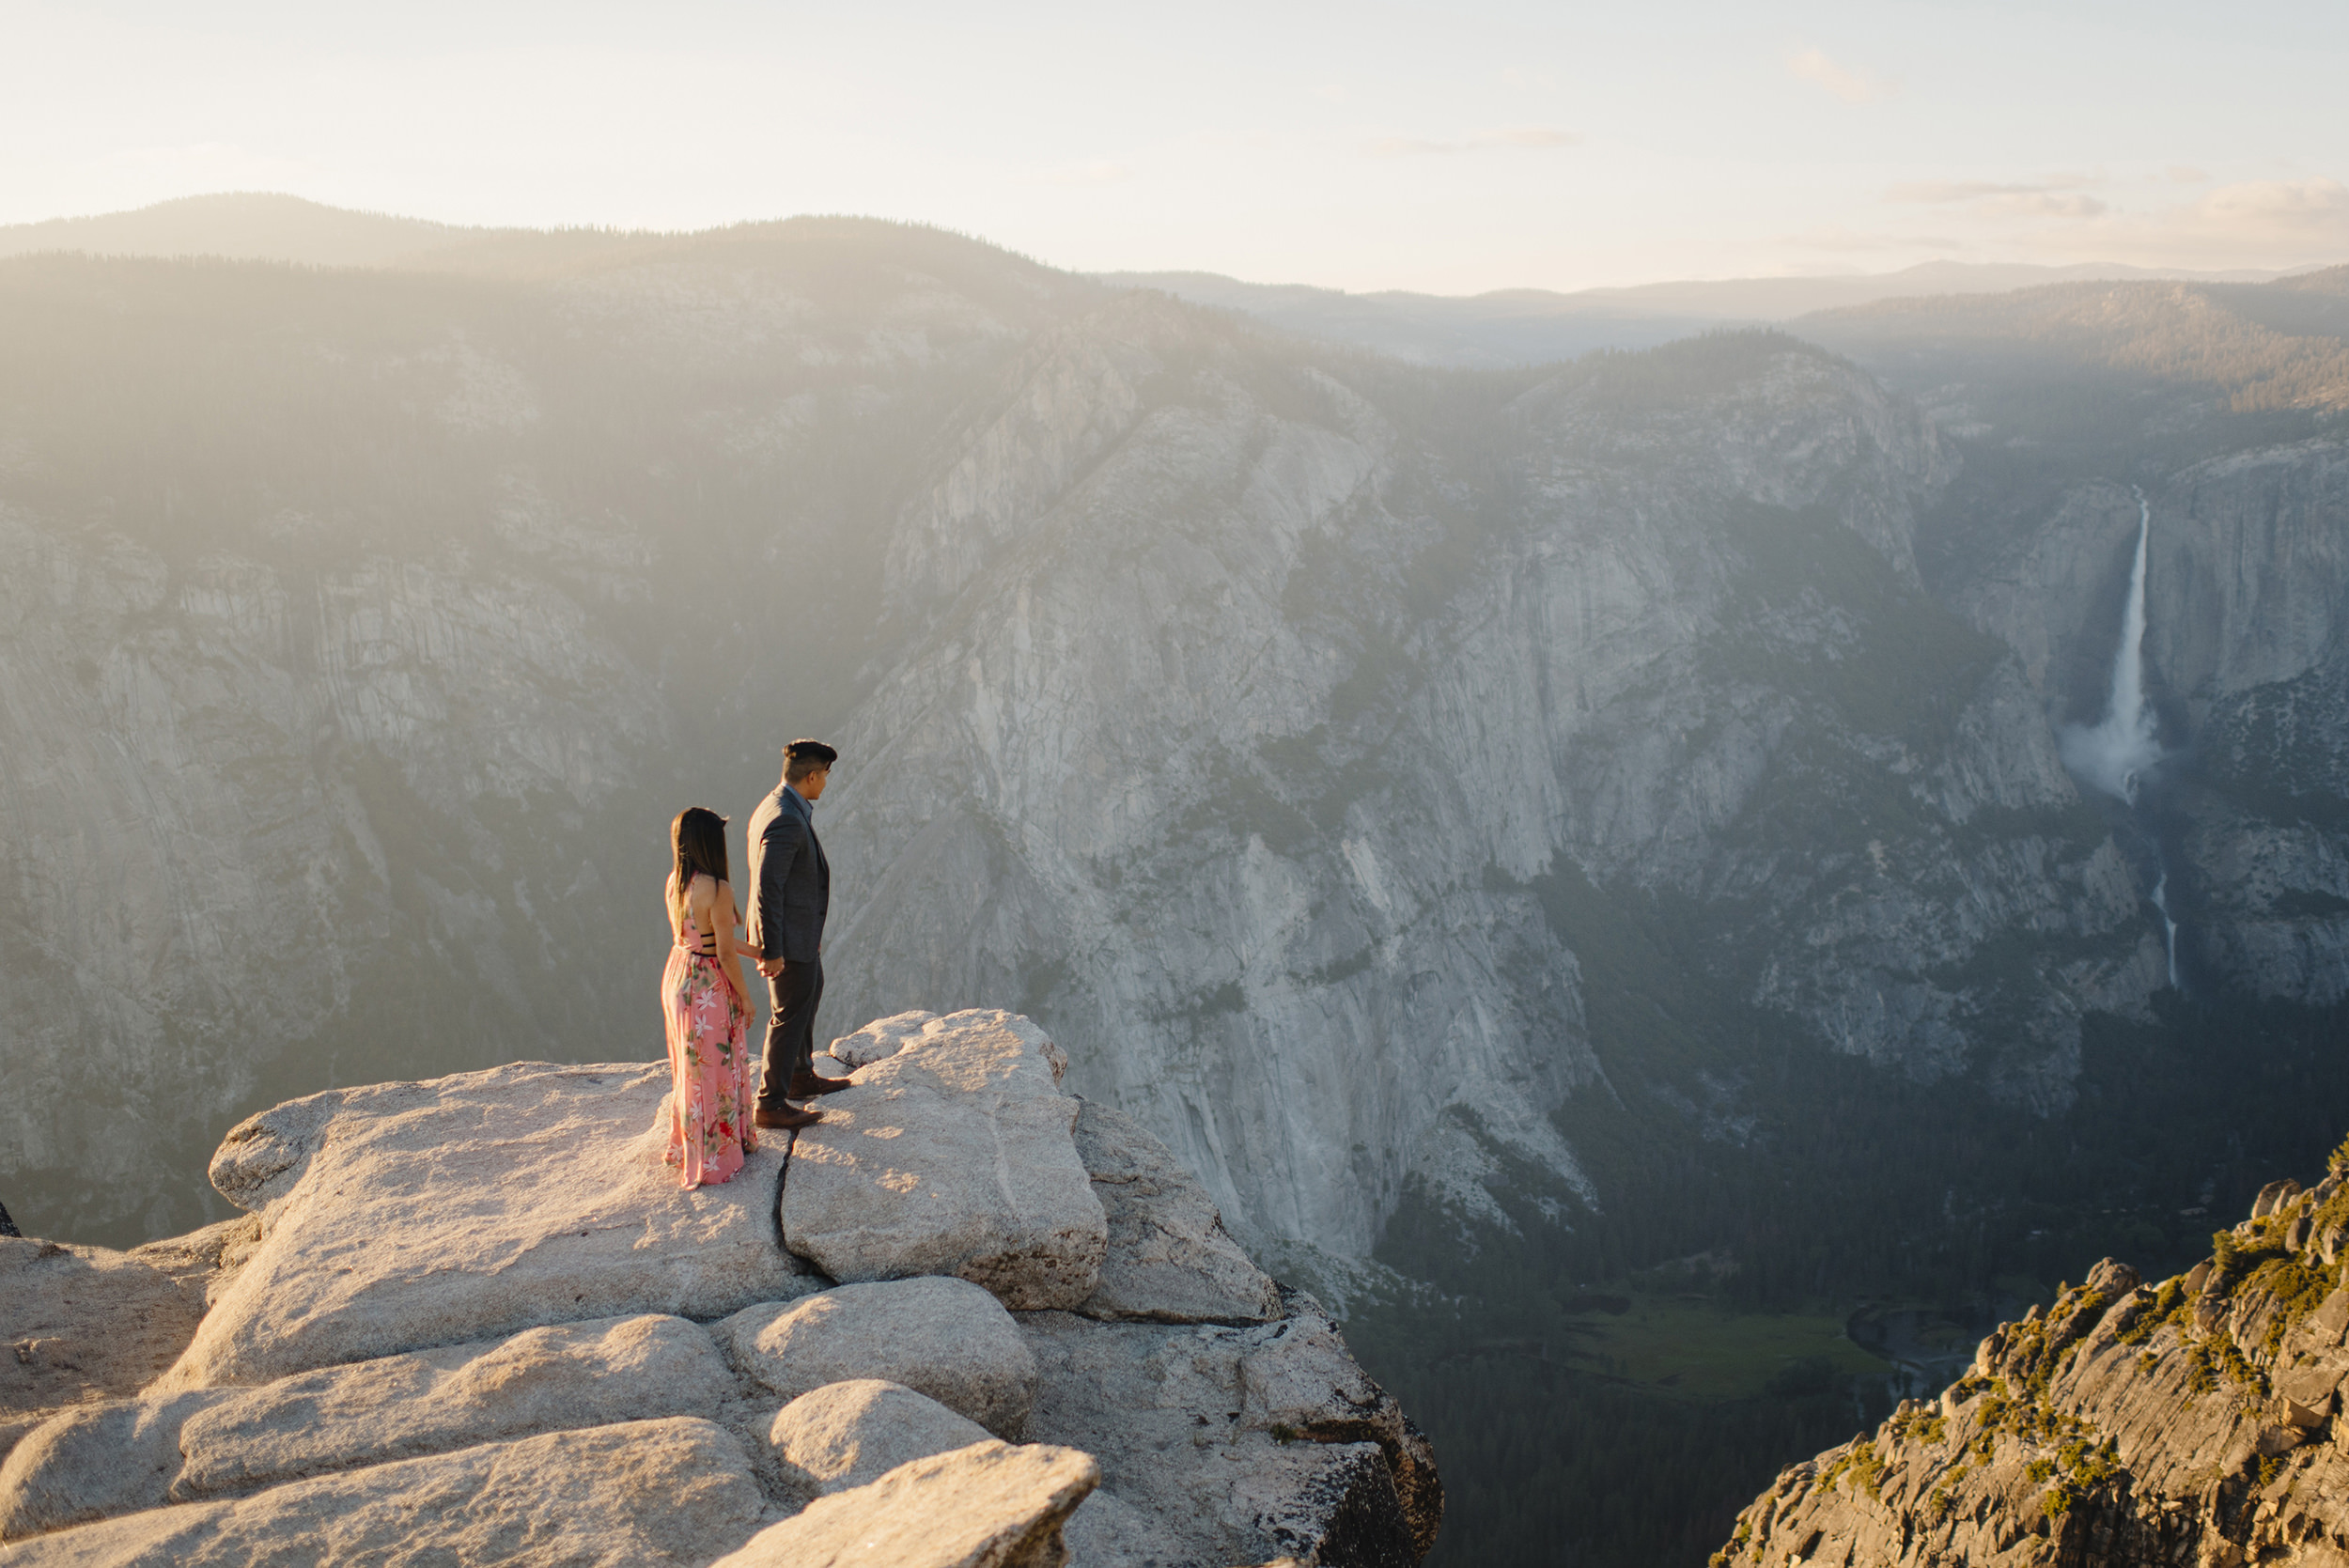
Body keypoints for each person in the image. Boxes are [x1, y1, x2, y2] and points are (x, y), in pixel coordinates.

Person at [746, 738, 849, 1129]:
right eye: (824, 776)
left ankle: (801, 1074)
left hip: (797, 934)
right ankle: (770, 1102)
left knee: (810, 992)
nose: (825, 783)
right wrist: (773, 948)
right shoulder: (787, 817)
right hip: (785, 941)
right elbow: (768, 885)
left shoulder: (775, 804)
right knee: (788, 1015)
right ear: (811, 776)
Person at [659, 807, 762, 1185]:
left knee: (690, 1068)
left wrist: (759, 952)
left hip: (679, 975)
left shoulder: (678, 882)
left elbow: (704, 939)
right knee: (716, 1067)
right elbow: (721, 952)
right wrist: (746, 998)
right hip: (707, 986)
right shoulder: (718, 889)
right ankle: (717, 1157)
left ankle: (687, 1144)